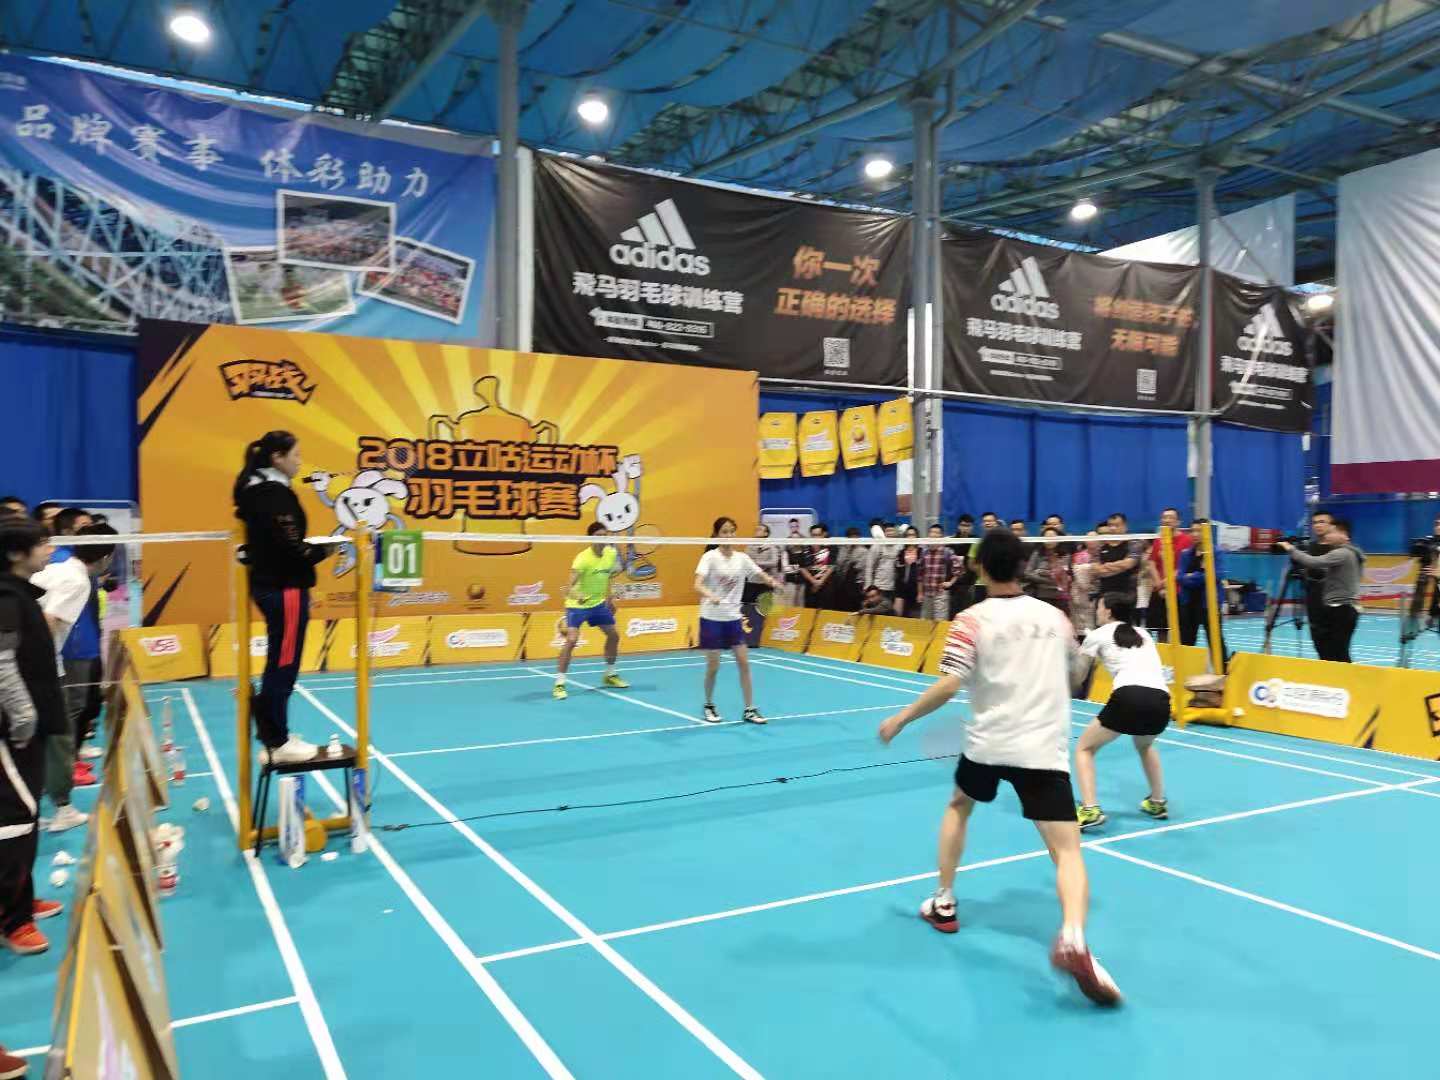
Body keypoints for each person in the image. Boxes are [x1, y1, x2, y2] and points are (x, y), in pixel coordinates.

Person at [876, 530, 1121, 1006]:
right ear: (1022, 566)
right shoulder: (1055, 617)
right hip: (1043, 749)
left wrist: (902, 719)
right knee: (1067, 852)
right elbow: (1077, 674)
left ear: (980, 567)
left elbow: (950, 684)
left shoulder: (970, 620)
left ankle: (944, 901)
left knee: (959, 805)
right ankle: (1073, 935)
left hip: (988, 744)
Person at [233, 431, 334, 765]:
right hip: (284, 587)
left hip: (274, 584)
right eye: (296, 455)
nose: (300, 461)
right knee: (284, 664)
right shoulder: (272, 493)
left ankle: (272, 736)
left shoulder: (256, 489)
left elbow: (273, 540)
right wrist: (324, 551)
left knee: (280, 661)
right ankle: (278, 741)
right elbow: (289, 545)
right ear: (277, 457)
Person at [0, 520, 67, 957]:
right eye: (41, 543)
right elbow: (2, 663)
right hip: (11, 733)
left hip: (29, 729)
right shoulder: (5, 597)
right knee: (14, 820)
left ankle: (21, 900)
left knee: (26, 817)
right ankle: (12, 920)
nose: (50, 549)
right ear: (15, 553)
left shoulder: (21, 593)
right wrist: (23, 717)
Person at [32, 524, 116, 832]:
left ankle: (28, 807)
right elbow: (49, 620)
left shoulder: (57, 569)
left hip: (29, 665)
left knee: (36, 737)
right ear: (106, 557)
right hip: (39, 669)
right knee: (59, 736)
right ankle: (63, 809)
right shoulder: (78, 580)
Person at [1073, 594, 1171, 830]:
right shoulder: (1144, 634)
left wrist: (1075, 653)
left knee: (1084, 749)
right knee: (1145, 745)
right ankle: (1157, 802)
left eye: (1099, 607)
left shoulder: (1096, 635)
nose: (1097, 611)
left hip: (1129, 696)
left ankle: (1090, 809)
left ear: (1108, 611)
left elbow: (1077, 678)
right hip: (1161, 700)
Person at [695, 517, 781, 724]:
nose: (729, 535)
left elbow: (758, 574)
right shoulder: (709, 557)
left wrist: (771, 581)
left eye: (732, 531)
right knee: (713, 667)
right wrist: (711, 595)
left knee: (744, 663)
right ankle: (709, 704)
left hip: (733, 618)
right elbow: (697, 584)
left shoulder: (742, 558)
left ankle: (750, 709)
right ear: (717, 535)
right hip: (711, 618)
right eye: (724, 532)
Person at [554, 523, 628, 701]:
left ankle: (610, 674)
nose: (602, 539)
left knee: (613, 635)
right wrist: (577, 596)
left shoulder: (610, 553)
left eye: (605, 535)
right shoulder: (582, 559)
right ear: (591, 538)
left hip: (598, 605)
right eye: (598, 536)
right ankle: (559, 683)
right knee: (571, 640)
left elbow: (608, 577)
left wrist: (610, 598)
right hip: (577, 605)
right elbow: (567, 587)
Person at [1280, 519, 1364, 663]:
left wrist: (1290, 549)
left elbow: (1313, 562)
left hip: (1341, 609)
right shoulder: (1353, 554)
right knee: (1336, 651)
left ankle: (1344, 676)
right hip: (1345, 608)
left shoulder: (1342, 553)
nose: (1327, 536)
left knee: (1338, 653)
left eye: (1331, 532)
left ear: (1344, 535)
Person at [1177, 519, 1229, 658]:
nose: (1195, 534)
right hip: (1188, 604)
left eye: (1199, 531)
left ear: (1207, 532)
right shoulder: (1185, 554)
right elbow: (1180, 577)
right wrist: (1200, 575)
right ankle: (1186, 668)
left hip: (1209, 605)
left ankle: (1222, 668)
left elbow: (1217, 575)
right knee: (1186, 641)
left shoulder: (1217, 553)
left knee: (1215, 641)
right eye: (1192, 531)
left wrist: (1191, 576)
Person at [1144, 508, 1191, 643]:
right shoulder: (1159, 540)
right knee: (1161, 629)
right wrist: (1159, 585)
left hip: (1178, 591)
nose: (1167, 520)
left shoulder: (1186, 540)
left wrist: (1165, 583)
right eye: (1164, 517)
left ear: (1178, 521)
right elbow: (1151, 563)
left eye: (1171, 517)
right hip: (1159, 591)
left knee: (1179, 629)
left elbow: (1182, 567)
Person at [1301, 509, 1335, 655]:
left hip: (1335, 604)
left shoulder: (1339, 548)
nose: (1318, 525)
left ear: (1332, 525)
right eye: (1315, 522)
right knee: (1319, 645)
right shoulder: (1310, 547)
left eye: (1322, 522)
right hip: (1314, 604)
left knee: (1337, 648)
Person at [1094, 513, 1141, 606]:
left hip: (1127, 595)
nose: (1112, 528)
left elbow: (1129, 563)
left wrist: (1107, 566)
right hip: (1104, 594)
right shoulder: (1101, 545)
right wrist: (1120, 566)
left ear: (1125, 526)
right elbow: (1097, 570)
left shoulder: (1134, 543)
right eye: (1110, 525)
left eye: (1116, 525)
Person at [1023, 527, 1072, 613]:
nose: (1049, 540)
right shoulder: (1037, 554)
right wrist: (1047, 578)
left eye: (1052, 537)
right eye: (1046, 537)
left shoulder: (1065, 555)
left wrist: (1041, 572)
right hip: (1041, 595)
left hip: (1060, 596)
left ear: (1059, 539)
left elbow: (1062, 575)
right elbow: (1027, 573)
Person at [918, 524, 957, 621]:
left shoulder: (947, 552)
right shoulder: (924, 552)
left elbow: (959, 569)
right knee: (925, 623)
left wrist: (950, 582)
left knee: (940, 623)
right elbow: (920, 575)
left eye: (936, 533)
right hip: (927, 595)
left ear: (941, 536)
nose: (933, 534)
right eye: (931, 532)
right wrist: (920, 593)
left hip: (941, 595)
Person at [864, 522, 899, 607]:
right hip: (878, 588)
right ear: (884, 533)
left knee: (888, 611)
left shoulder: (899, 547)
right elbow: (869, 567)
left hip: (893, 588)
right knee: (876, 611)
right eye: (887, 531)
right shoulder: (877, 546)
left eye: (892, 531)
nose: (890, 533)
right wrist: (868, 586)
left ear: (895, 533)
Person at [949, 516, 978, 614]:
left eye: (968, 526)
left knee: (967, 612)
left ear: (972, 527)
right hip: (953, 584)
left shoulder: (975, 540)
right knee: (953, 612)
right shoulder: (951, 541)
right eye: (963, 525)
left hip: (969, 583)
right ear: (958, 526)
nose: (965, 528)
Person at [893, 526, 922, 617]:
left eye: (913, 535)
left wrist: (920, 592)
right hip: (901, 588)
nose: (910, 537)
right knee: (897, 615)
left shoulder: (921, 552)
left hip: (915, 589)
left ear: (917, 536)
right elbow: (897, 569)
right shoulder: (901, 552)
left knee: (913, 617)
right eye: (908, 535)